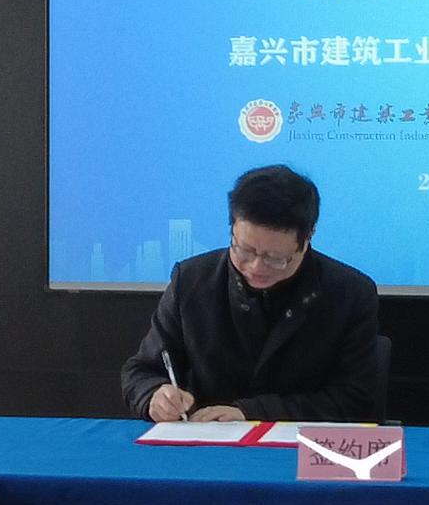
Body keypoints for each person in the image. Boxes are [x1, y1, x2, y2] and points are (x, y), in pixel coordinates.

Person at [122, 164, 380, 423]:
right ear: (232, 228)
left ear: (308, 237)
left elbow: (355, 399)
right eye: (244, 250)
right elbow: (141, 371)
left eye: (274, 258)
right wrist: (154, 395)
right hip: (206, 439)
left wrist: (252, 413)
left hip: (299, 443)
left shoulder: (350, 293)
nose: (256, 267)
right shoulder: (191, 281)